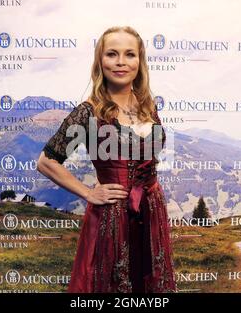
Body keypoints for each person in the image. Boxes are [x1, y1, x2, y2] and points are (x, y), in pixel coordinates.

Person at [37, 26, 176, 293]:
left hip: (151, 209)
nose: (121, 62)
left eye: (129, 54)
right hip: (113, 216)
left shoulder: (147, 105)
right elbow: (46, 161)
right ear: (101, 61)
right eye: (112, 54)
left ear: (140, 61)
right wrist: (88, 192)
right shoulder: (89, 111)